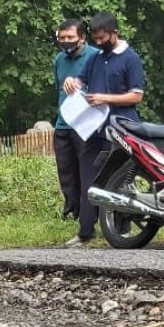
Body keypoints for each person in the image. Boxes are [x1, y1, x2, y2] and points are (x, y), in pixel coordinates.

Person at [62, 11, 146, 247]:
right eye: (95, 39)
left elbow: (136, 95)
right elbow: (81, 80)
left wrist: (105, 99)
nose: (99, 43)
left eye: (102, 39)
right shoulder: (96, 58)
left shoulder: (130, 58)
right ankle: (85, 232)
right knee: (88, 178)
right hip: (94, 128)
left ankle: (122, 230)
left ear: (114, 33)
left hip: (122, 127)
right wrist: (72, 82)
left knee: (117, 179)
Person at [53, 19, 99, 221]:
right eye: (62, 38)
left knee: (87, 172)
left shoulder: (95, 57)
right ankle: (72, 210)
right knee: (66, 171)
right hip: (63, 124)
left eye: (70, 37)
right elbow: (58, 89)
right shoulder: (58, 60)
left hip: (86, 125)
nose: (66, 41)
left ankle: (92, 213)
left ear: (82, 37)